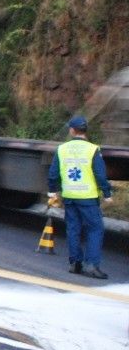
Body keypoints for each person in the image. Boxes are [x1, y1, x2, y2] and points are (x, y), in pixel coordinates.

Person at [47, 115, 113, 279]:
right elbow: (100, 174)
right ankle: (91, 265)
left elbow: (53, 173)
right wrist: (107, 193)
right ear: (85, 130)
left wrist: (52, 190)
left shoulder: (62, 149)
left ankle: (75, 263)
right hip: (87, 197)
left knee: (73, 229)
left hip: (69, 195)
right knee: (95, 229)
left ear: (72, 130)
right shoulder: (92, 149)